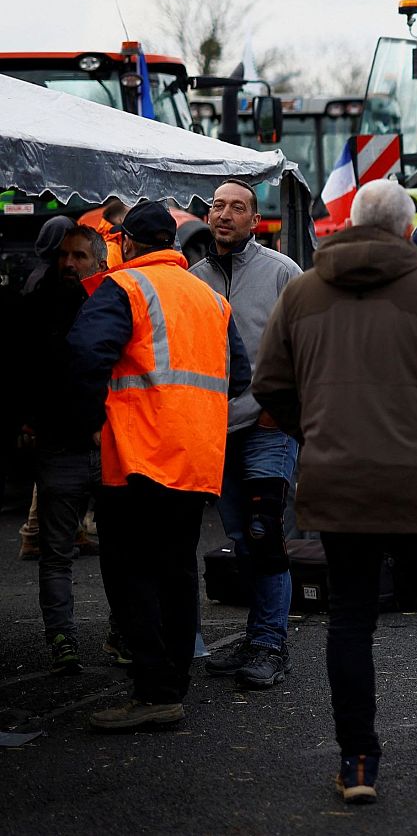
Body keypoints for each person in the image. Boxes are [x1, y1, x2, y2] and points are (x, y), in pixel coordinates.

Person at [252, 179, 417, 802]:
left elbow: (270, 384)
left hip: (336, 484)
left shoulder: (302, 292)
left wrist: (316, 433)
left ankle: (357, 767)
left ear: (351, 220)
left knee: (349, 620)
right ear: (409, 232)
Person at [67, 201, 252, 731]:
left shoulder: (123, 289)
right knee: (175, 572)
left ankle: (154, 690)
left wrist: (87, 422)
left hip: (136, 456)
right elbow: (237, 376)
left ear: (123, 243)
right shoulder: (210, 299)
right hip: (194, 458)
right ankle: (171, 686)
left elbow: (84, 355)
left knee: (129, 575)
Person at [191, 178, 304, 690]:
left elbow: (311, 346)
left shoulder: (282, 273)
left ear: (256, 221)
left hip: (266, 426)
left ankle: (268, 644)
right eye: (218, 205)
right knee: (239, 536)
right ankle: (258, 630)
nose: (225, 214)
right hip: (213, 428)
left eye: (238, 207)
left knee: (263, 533)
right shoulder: (192, 278)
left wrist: (282, 410)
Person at [20, 224, 106, 675]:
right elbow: (30, 372)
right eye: (64, 256)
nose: (69, 263)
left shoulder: (112, 303)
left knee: (120, 552)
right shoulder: (42, 306)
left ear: (99, 261)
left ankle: (122, 633)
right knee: (56, 552)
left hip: (110, 446)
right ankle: (62, 639)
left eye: (79, 256)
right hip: (62, 446)